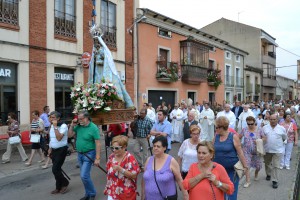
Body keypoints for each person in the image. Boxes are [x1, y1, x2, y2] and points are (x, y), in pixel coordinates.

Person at [68, 110, 101, 200]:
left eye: (81, 119)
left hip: (89, 154)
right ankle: (87, 194)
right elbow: (69, 135)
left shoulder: (93, 127)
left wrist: (97, 158)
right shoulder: (78, 126)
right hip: (80, 154)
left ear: (87, 118)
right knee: (84, 176)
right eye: (78, 119)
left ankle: (92, 193)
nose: (79, 120)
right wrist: (71, 125)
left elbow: (98, 143)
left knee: (84, 175)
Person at [213, 116, 248, 200]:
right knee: (220, 191)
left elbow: (240, 152)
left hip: (231, 170)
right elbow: (211, 151)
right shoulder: (216, 136)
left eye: (217, 127)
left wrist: (245, 166)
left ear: (223, 127)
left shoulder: (233, 137)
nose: (215, 129)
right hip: (218, 170)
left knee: (231, 191)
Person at [104, 135, 140, 200]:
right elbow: (108, 173)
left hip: (126, 194)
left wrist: (121, 169)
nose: (114, 150)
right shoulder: (111, 157)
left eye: (117, 148)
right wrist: (107, 186)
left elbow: (134, 176)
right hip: (112, 192)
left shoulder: (130, 158)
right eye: (112, 148)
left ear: (124, 147)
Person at [262, 113, 287, 189]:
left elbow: (284, 138)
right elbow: (262, 137)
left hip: (278, 150)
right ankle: (268, 174)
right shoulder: (265, 128)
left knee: (276, 166)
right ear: (269, 120)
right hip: (267, 149)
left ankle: (275, 180)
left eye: (274, 119)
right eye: (271, 119)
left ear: (277, 120)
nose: (272, 121)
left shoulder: (282, 128)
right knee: (267, 163)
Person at [48, 111, 69, 194]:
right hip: (54, 149)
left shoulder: (63, 126)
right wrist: (50, 148)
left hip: (61, 149)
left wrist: (56, 127)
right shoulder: (51, 126)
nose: (51, 119)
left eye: (53, 117)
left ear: (58, 118)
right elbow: (52, 138)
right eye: (50, 117)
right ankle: (58, 186)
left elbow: (59, 138)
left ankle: (65, 182)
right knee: (57, 169)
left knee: (55, 169)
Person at [239, 116, 263, 187]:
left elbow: (265, 137)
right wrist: (239, 145)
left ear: (254, 122)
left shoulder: (259, 129)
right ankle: (248, 181)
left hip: (256, 151)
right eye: (248, 124)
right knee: (247, 166)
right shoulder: (244, 130)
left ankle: (256, 173)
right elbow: (238, 137)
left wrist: (260, 141)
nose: (250, 125)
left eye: (251, 124)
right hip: (246, 151)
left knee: (258, 166)